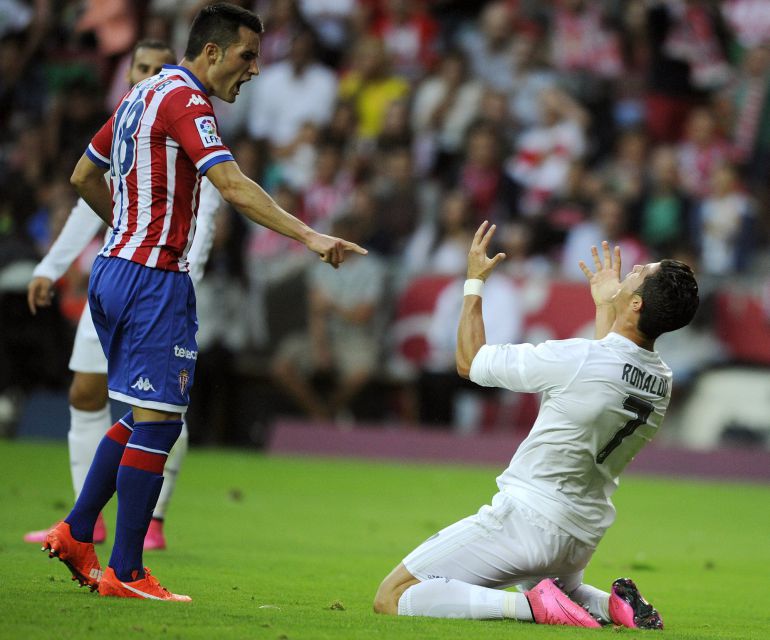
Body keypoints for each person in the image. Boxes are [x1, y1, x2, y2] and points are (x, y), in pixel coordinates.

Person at [43, 3, 366, 602]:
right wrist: (311, 236)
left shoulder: (141, 93)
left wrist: (129, 228)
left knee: (136, 418)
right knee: (161, 423)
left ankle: (77, 528)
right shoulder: (187, 100)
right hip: (153, 280)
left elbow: (82, 178)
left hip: (112, 272)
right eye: (248, 56)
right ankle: (127, 571)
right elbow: (233, 185)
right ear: (212, 52)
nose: (255, 70)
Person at [373, 221, 699, 629]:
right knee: (560, 588)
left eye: (639, 273)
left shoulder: (578, 358)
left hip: (527, 520)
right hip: (579, 537)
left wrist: (473, 281)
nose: (631, 270)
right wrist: (604, 306)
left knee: (394, 596)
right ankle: (613, 606)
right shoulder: (661, 381)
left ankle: (531, 608)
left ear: (636, 305)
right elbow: (607, 372)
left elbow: (469, 361)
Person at [24, 39, 219, 551]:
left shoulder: (185, 127)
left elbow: (208, 214)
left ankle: (141, 521)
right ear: (129, 73)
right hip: (138, 277)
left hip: (149, 278)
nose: (150, 76)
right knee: (118, 402)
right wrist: (55, 263)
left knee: (153, 411)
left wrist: (174, 266)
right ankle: (99, 536)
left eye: (160, 68)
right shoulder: (133, 126)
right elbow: (88, 195)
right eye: (141, 68)